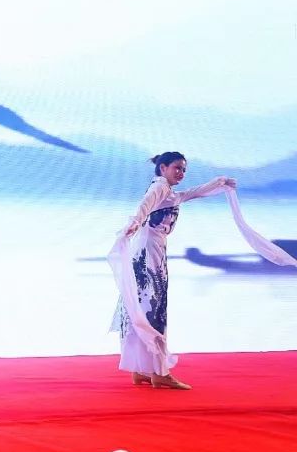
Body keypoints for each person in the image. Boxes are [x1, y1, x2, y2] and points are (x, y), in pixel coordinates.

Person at [108, 151, 297, 389]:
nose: (181, 173)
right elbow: (144, 206)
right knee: (154, 310)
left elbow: (190, 194)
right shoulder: (159, 188)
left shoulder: (168, 191)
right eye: (177, 168)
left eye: (184, 169)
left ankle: (141, 369)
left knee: (145, 308)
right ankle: (159, 372)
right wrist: (133, 224)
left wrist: (218, 183)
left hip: (149, 251)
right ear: (163, 167)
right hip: (149, 254)